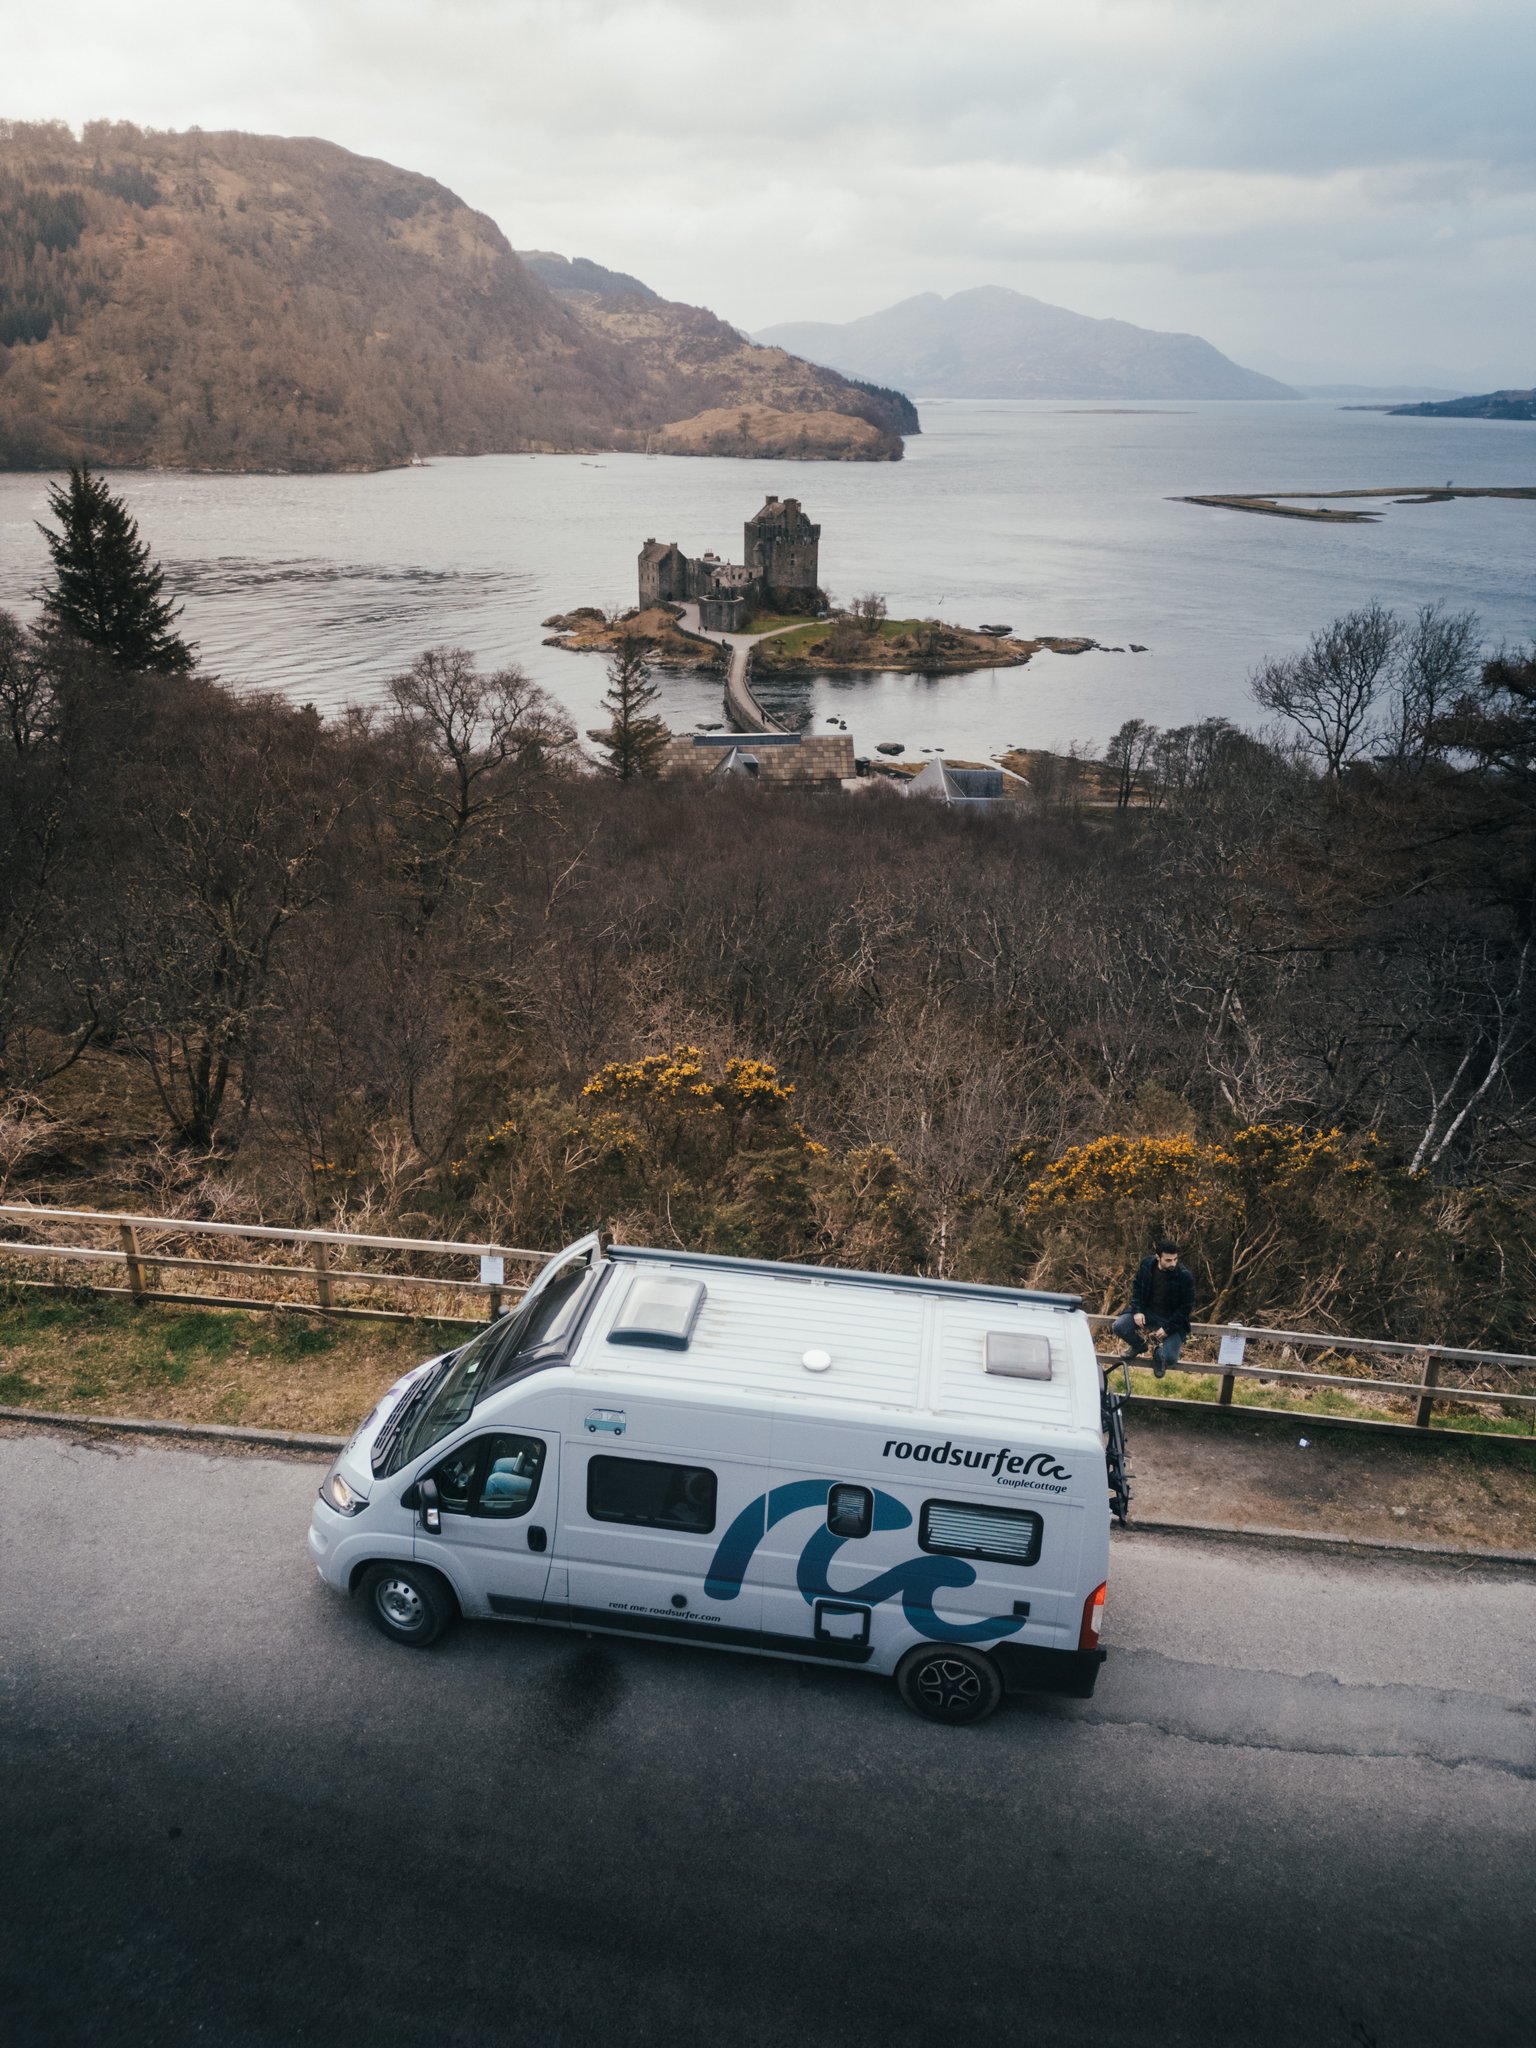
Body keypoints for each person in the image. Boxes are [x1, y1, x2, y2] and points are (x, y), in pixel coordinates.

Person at [1112, 1237, 1195, 1378]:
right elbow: (1137, 1288)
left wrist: (1168, 1328)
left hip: (1171, 1319)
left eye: (1175, 1259)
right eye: (1168, 1260)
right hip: (1147, 1313)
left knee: (1170, 1359)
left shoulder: (1184, 1276)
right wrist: (1138, 1310)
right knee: (1118, 1326)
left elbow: (1186, 1308)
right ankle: (1139, 1346)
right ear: (1158, 1257)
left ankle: (1158, 1353)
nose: (1173, 1263)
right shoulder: (1147, 1265)